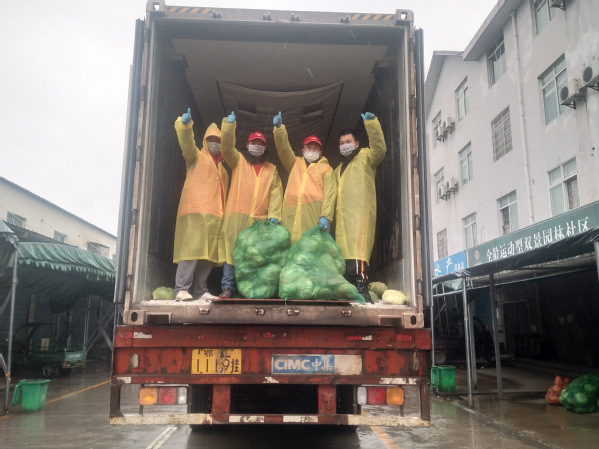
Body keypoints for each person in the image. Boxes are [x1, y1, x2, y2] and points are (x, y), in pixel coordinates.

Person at [219, 111, 283, 298]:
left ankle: (250, 290)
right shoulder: (238, 160)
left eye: (260, 143)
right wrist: (229, 127)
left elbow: (276, 192)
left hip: (260, 221)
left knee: (255, 256)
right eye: (254, 143)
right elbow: (226, 148)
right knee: (232, 252)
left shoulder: (271, 169)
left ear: (265, 147)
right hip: (237, 217)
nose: (257, 146)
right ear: (247, 145)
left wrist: (274, 216)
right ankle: (227, 287)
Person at [173, 108, 229, 301]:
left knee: (208, 255)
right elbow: (187, 145)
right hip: (195, 212)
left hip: (215, 216)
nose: (214, 143)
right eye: (211, 139)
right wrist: (186, 127)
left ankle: (200, 291)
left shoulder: (223, 170)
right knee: (191, 251)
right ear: (205, 141)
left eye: (218, 140)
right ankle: (181, 288)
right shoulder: (196, 157)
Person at [334, 112, 387, 303]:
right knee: (344, 254)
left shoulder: (366, 156)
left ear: (356, 144)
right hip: (342, 219)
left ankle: (361, 287)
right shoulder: (338, 169)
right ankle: (348, 287)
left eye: (348, 141)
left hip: (360, 214)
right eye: (341, 143)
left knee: (358, 251)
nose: (344, 145)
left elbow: (380, 149)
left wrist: (371, 124)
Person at [272, 111, 336, 244]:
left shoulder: (326, 169)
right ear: (303, 150)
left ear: (320, 152)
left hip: (312, 219)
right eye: (309, 147)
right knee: (289, 251)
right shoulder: (294, 163)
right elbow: (284, 149)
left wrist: (326, 216)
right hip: (289, 218)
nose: (312, 150)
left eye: (315, 148)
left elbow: (330, 195)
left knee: (308, 252)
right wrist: (279, 130)